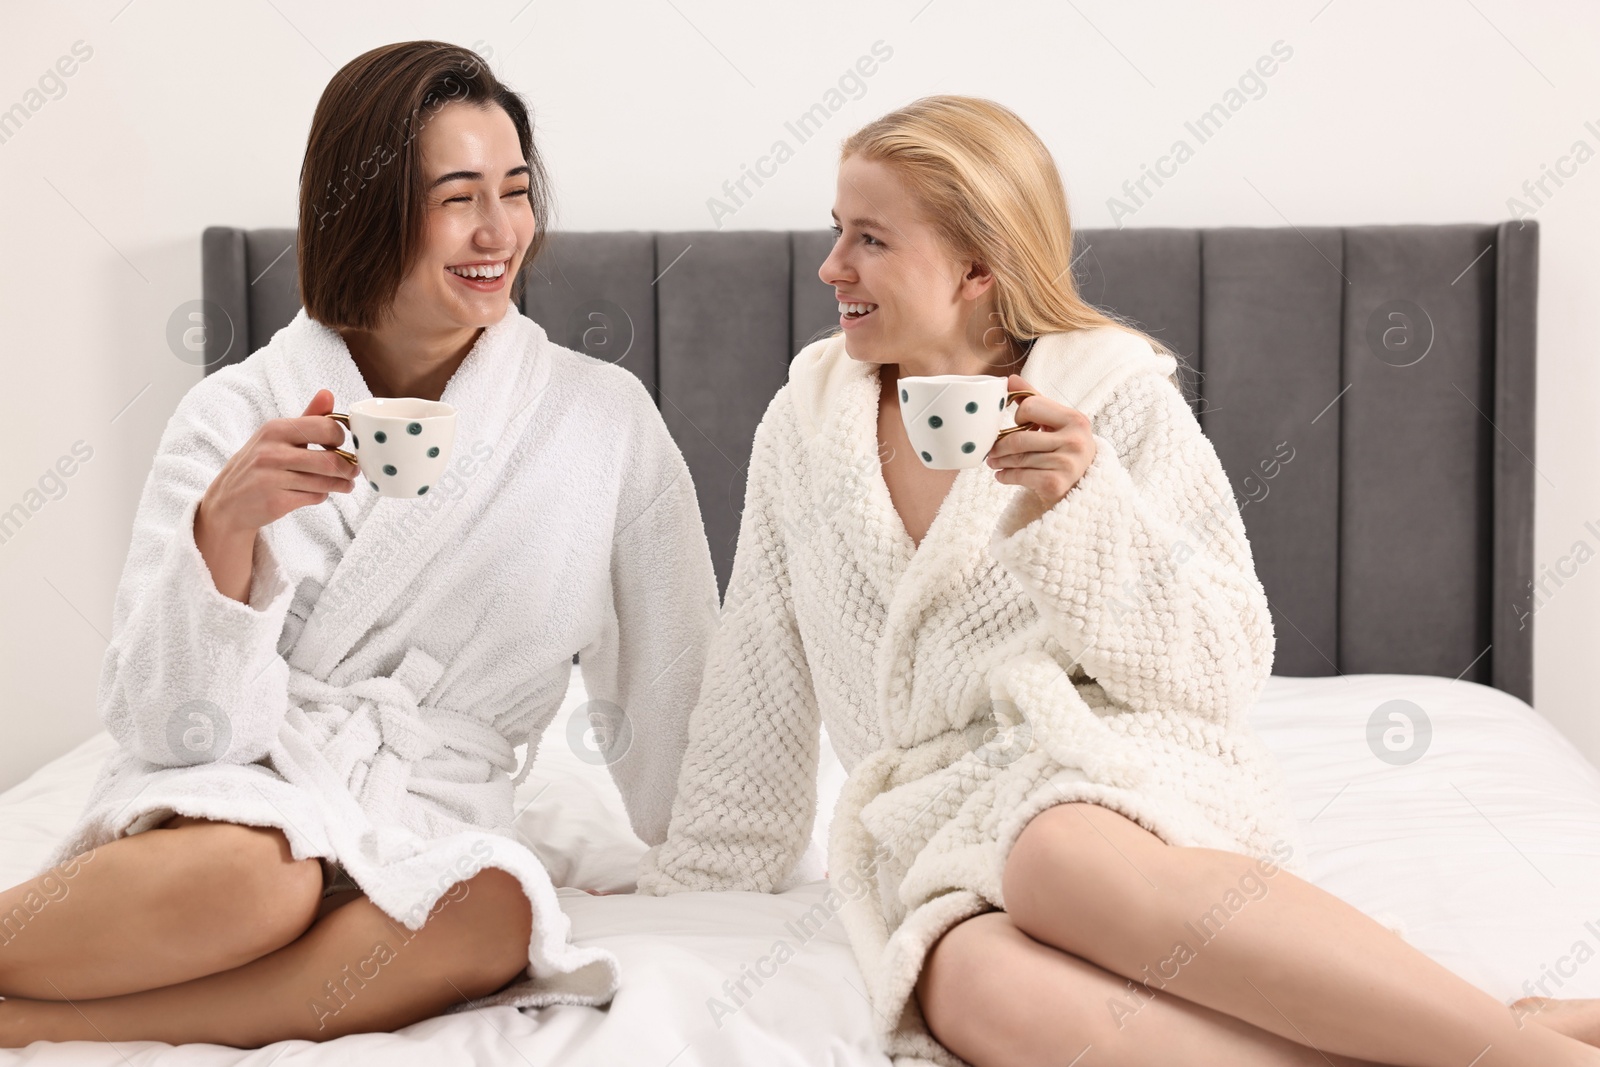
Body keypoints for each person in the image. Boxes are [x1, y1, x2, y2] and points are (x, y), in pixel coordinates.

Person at [637, 95, 1600, 1067]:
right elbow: (757, 662)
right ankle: (1507, 1041)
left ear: (977, 267)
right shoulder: (806, 421)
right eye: (837, 231)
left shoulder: (1111, 395)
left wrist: (1080, 508)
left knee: (1056, 858)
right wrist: (703, 872)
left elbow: (1221, 670)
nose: (832, 266)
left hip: (1117, 766)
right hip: (932, 816)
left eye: (870, 240)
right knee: (961, 981)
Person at [0, 40, 719, 1047]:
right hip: (248, 786)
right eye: (457, 195)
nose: (498, 230)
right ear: (365, 205)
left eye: (514, 191)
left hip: (430, 808)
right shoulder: (236, 412)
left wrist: (716, 840)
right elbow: (170, 728)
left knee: (492, 911)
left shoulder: (600, 421)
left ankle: (25, 1017)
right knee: (258, 878)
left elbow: (676, 676)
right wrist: (225, 529)